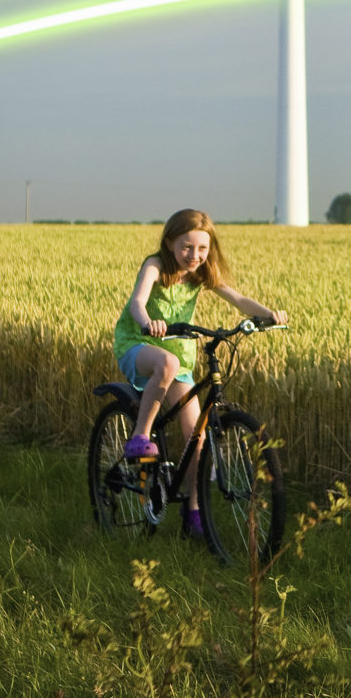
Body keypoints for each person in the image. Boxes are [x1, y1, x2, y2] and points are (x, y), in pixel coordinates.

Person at [113, 210, 286, 539]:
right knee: (166, 365)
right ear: (170, 243)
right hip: (139, 342)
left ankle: (193, 512)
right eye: (187, 247)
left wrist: (269, 315)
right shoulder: (155, 266)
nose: (195, 255)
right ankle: (140, 436)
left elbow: (238, 298)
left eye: (202, 249)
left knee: (198, 437)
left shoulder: (201, 273)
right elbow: (138, 301)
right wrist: (147, 321)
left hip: (180, 354)